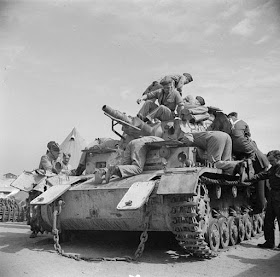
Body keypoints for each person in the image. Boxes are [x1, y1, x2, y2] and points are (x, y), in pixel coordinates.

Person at [245, 150, 280, 249]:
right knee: (268, 220)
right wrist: (250, 178)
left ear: (278, 159)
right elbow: (263, 175)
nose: (270, 163)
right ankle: (269, 242)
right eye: (269, 161)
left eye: (272, 160)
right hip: (273, 196)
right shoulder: (273, 168)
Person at [96, 136, 164, 183]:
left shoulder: (154, 137)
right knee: (137, 168)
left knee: (126, 167)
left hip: (132, 142)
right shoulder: (163, 141)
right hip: (140, 145)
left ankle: (105, 171)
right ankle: (115, 169)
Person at [29, 141, 61, 238]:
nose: (58, 154)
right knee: (36, 209)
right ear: (50, 151)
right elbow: (50, 169)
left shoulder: (55, 160)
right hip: (39, 187)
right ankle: (35, 229)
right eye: (56, 152)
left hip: (50, 186)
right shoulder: (45, 158)